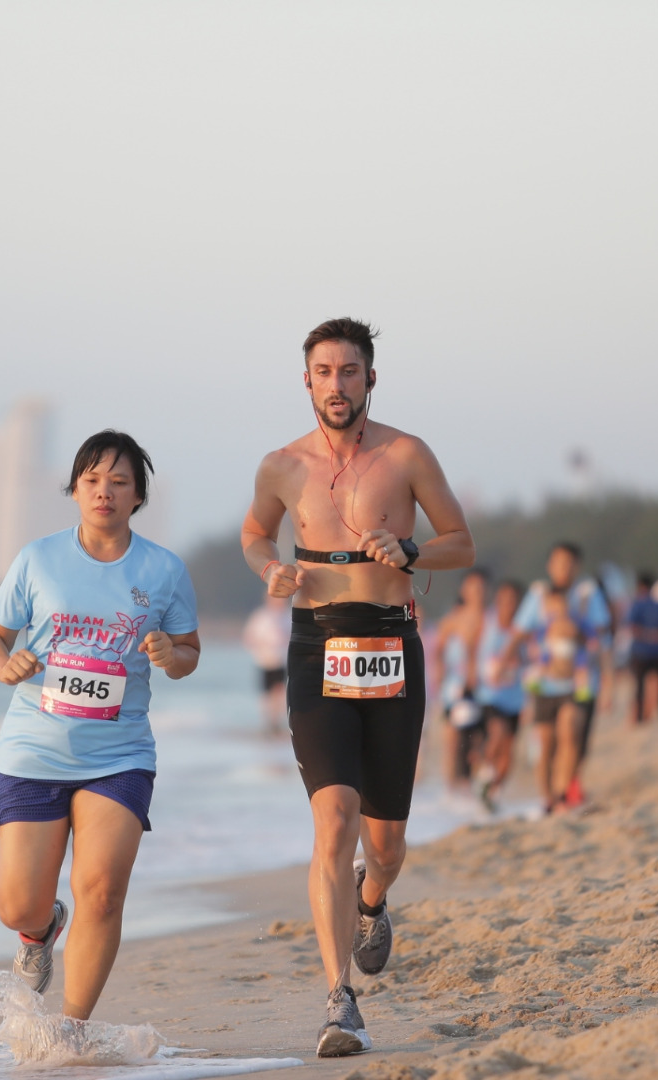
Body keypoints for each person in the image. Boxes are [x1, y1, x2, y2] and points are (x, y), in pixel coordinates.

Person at [241, 317, 474, 1057]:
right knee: (332, 819)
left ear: (370, 378)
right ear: (304, 381)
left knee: (387, 840)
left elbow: (460, 543)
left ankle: (372, 900)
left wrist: (409, 547)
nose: (335, 385)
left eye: (348, 371)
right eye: (322, 372)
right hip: (315, 647)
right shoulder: (281, 465)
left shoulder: (406, 454)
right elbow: (254, 533)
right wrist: (268, 568)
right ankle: (339, 1000)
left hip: (389, 643)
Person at [0, 430, 201, 1026]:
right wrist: (5, 664)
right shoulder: (37, 559)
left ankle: (71, 1026)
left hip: (121, 752)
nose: (104, 491)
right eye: (93, 480)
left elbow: (188, 652)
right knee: (15, 903)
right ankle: (39, 928)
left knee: (101, 892)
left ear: (137, 497)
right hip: (34, 747)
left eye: (119, 482)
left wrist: (169, 655)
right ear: (74, 488)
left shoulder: (163, 569)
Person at [515, 542, 611, 808]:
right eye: (557, 562)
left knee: (571, 733)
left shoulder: (588, 596)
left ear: (577, 566)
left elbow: (602, 641)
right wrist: (504, 662)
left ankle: (560, 795)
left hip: (578, 682)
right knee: (545, 743)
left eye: (569, 563)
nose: (563, 568)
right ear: (549, 566)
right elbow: (520, 632)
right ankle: (547, 797)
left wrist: (608, 684)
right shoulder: (538, 596)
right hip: (544, 684)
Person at [474, 578, 526, 808]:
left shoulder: (525, 628)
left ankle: (493, 792)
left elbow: (534, 656)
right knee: (497, 734)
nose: (508, 605)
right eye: (503, 600)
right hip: (490, 695)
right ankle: (484, 772)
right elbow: (475, 649)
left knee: (508, 751)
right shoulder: (488, 622)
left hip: (516, 699)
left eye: (513, 601)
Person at [435, 570, 489, 790]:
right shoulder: (454, 619)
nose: (476, 592)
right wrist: (440, 674)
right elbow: (439, 649)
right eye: (472, 588)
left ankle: (476, 784)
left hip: (484, 686)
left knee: (479, 738)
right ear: (463, 590)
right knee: (453, 738)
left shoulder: (491, 617)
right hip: (456, 686)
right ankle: (452, 787)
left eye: (481, 588)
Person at [624, 571, 658, 724]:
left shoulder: (637, 604)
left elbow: (632, 627)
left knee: (639, 687)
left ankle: (639, 717)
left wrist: (646, 635)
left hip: (641, 651)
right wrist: (657, 637)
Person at [243, 593, 293, 733]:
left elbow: (293, 636)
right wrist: (261, 646)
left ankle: (277, 722)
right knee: (266, 694)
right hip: (265, 661)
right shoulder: (261, 616)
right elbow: (249, 637)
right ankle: (269, 723)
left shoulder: (288, 616)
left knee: (280, 691)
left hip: (282, 660)